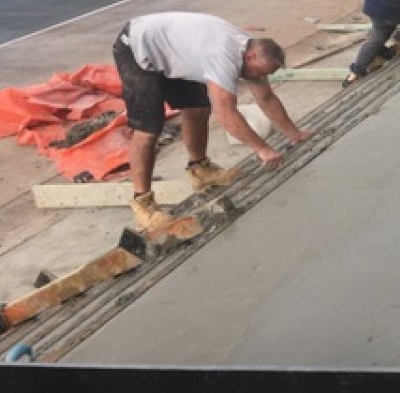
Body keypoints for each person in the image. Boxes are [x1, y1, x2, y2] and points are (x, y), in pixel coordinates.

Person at [112, 12, 313, 230]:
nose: (258, 77)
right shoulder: (223, 56)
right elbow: (226, 113)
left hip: (173, 49)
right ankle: (143, 203)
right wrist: (262, 149)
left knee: (198, 109)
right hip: (137, 49)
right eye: (259, 72)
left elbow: (266, 97)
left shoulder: (250, 50)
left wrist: (295, 135)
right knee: (148, 130)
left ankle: (201, 170)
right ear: (250, 57)